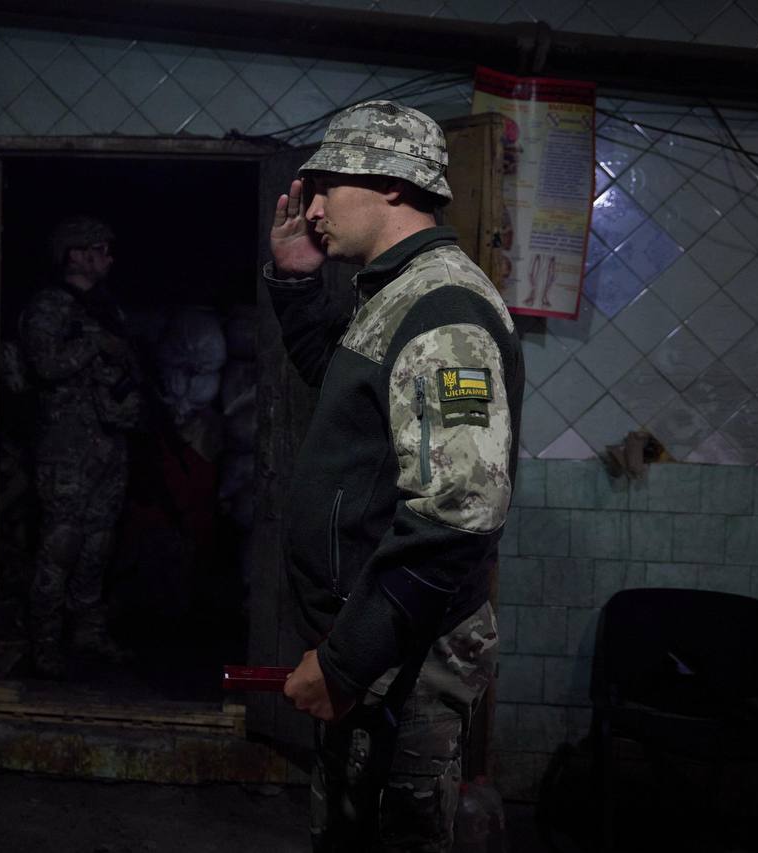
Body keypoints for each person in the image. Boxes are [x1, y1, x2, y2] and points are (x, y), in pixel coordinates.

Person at [265, 101, 524, 851]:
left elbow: (459, 510)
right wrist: (296, 287)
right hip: (373, 642)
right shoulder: (394, 289)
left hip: (403, 656)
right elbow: (344, 396)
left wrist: (345, 663)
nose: (312, 209)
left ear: (392, 184)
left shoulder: (443, 311)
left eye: (327, 187)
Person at [19, 215, 141, 678]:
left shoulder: (106, 306)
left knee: (98, 543)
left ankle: (88, 632)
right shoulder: (50, 306)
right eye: (99, 249)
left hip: (108, 439)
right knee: (61, 543)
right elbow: (45, 365)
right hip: (66, 445)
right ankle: (44, 643)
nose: (109, 258)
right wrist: (95, 345)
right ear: (75, 255)